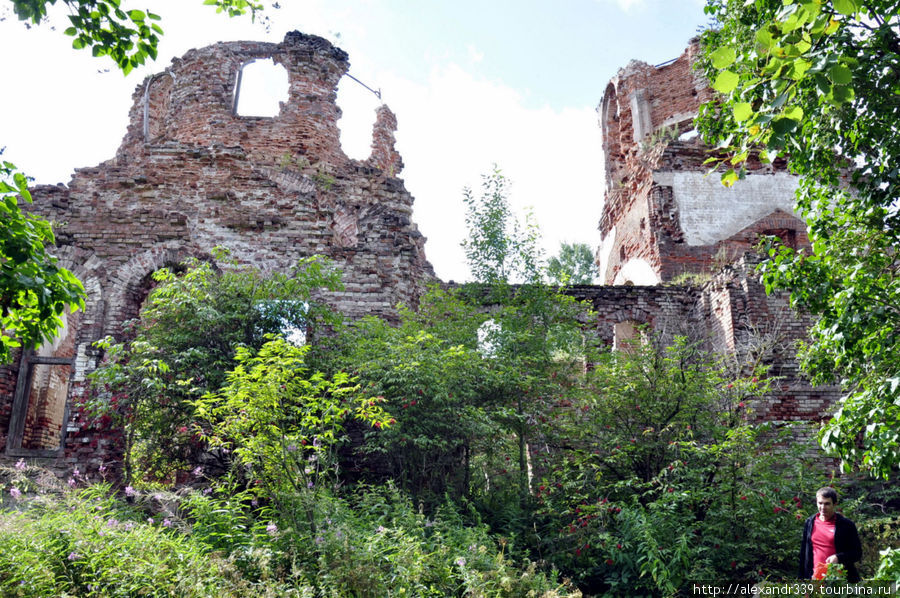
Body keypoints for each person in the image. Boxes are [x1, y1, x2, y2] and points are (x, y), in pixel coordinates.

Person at [798, 486, 862, 582]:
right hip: (814, 578)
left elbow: (857, 553)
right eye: (820, 503)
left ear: (835, 504)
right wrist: (801, 579)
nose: (823, 507)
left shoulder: (846, 525)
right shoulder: (810, 522)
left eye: (827, 504)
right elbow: (804, 553)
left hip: (839, 579)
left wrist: (838, 557)